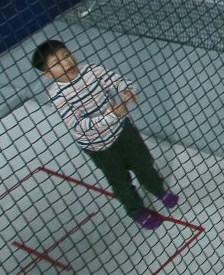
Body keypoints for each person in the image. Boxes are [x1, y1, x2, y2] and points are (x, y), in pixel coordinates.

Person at [33, 40, 178, 229]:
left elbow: (118, 81)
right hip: (99, 147)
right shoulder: (57, 96)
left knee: (144, 163)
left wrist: (127, 90)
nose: (67, 63)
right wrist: (111, 115)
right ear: (47, 74)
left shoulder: (92, 71)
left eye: (67, 55)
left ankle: (158, 189)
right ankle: (137, 211)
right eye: (57, 63)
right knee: (120, 182)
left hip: (123, 131)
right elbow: (78, 125)